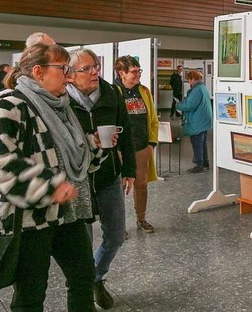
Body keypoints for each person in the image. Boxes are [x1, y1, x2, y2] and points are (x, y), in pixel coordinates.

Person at [0, 43, 110, 311]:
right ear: (38, 71)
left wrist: (94, 145)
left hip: (67, 214)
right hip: (29, 221)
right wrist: (48, 186)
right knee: (31, 293)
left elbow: (70, 159)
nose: (69, 76)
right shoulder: (7, 104)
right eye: (63, 69)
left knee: (83, 278)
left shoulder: (62, 107)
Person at [67, 49, 137, 309]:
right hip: (79, 180)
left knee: (116, 235)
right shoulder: (62, 100)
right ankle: (85, 284)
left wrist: (129, 168)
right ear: (71, 76)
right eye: (86, 68)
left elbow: (126, 131)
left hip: (108, 174)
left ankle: (96, 276)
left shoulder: (111, 93)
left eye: (95, 66)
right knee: (82, 243)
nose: (94, 71)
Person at [114, 56, 159, 234]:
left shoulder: (145, 92)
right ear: (121, 73)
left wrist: (151, 145)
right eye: (134, 71)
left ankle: (141, 218)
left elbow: (153, 120)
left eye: (139, 71)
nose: (138, 74)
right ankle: (118, 226)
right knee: (117, 187)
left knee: (141, 184)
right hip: (118, 150)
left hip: (141, 148)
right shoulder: (113, 91)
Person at [177, 70, 212, 173]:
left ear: (192, 79)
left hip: (198, 121)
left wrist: (178, 105)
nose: (189, 82)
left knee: (197, 142)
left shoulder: (196, 90)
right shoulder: (203, 87)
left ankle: (199, 165)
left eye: (189, 80)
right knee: (203, 143)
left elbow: (190, 105)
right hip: (204, 120)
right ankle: (205, 163)